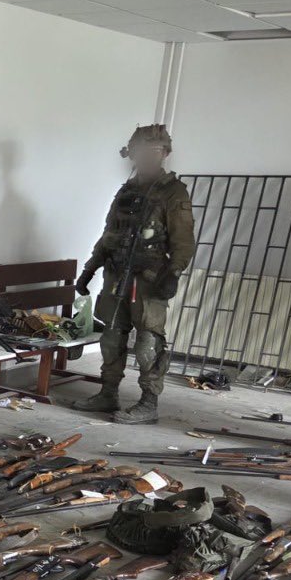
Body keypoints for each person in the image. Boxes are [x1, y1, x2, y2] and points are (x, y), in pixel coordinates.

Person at [71, 124, 194, 423]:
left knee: (148, 342)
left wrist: (174, 273)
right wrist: (90, 268)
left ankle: (148, 402)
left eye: (154, 151)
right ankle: (108, 393)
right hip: (116, 275)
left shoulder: (173, 192)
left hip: (149, 279)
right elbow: (109, 234)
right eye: (142, 151)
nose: (147, 157)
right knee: (111, 337)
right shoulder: (126, 190)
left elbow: (183, 240)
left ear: (165, 153)